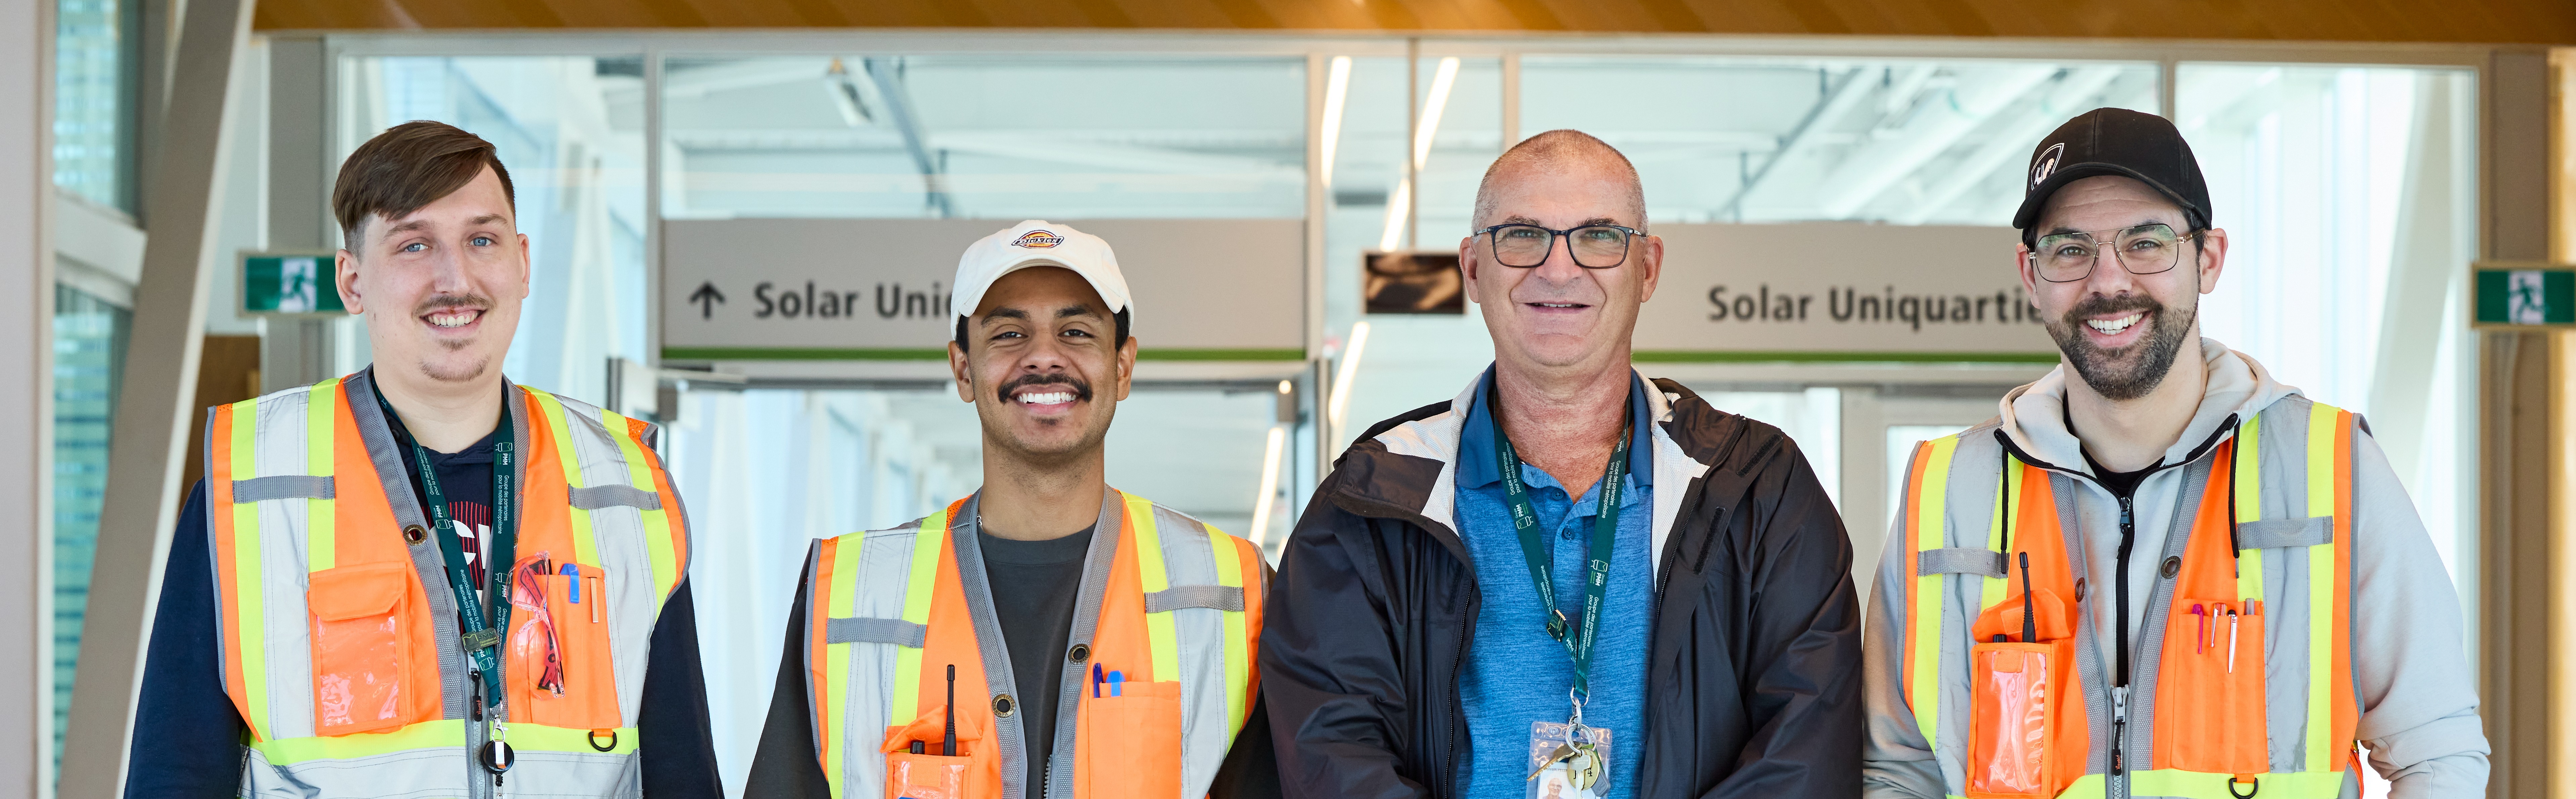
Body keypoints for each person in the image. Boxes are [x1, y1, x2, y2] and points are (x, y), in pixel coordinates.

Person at [1861, 108, 2488, 798]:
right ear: (2030, 274)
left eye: (2147, 242)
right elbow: (1898, 770)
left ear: (2209, 257)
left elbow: (2438, 751)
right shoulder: (1948, 490)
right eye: (2071, 249)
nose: (2109, 281)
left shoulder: (2333, 472)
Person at [124, 121, 720, 798]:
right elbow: (174, 771)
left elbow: (682, 771)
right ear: (352, 281)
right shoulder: (258, 485)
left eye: (482, 239)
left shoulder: (623, 486)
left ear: (522, 263)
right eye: (414, 244)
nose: (455, 277)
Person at [1260, 130, 1861, 799]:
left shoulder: (1761, 489)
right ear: (1473, 268)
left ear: (1649, 267)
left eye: (1599, 236)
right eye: (1522, 235)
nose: (1558, 268)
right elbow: (1330, 754)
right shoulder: (1371, 499)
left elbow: (1806, 751)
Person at [743, 221, 1278, 799]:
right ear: (963, 369)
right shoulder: (851, 596)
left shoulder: (1232, 593)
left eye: (1075, 332)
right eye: (1008, 334)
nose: (1044, 357)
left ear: (1122, 366)